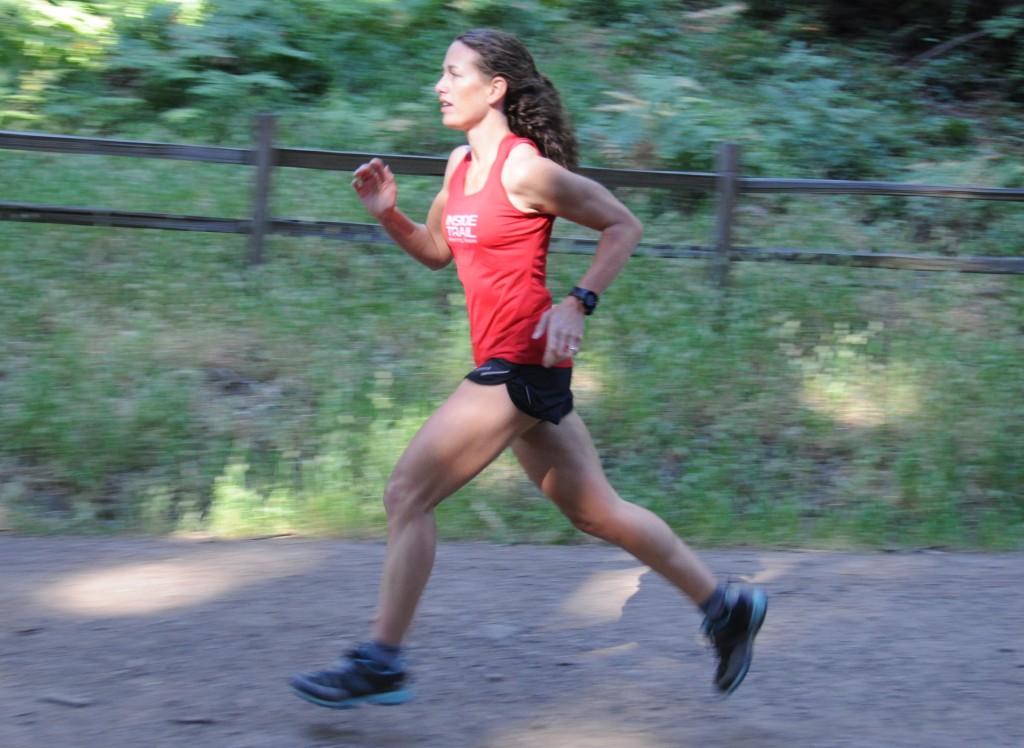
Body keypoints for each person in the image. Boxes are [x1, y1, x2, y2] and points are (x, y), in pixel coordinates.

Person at [289, 28, 766, 709]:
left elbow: (623, 224)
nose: (440, 86)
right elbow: (435, 251)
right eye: (442, 74)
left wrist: (580, 300)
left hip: (519, 360)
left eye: (454, 74)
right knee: (598, 511)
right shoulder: (459, 166)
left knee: (407, 495)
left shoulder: (525, 169)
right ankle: (726, 608)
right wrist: (388, 215)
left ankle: (381, 660)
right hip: (512, 364)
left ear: (494, 89)